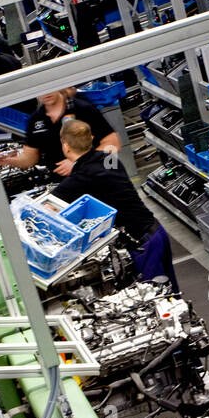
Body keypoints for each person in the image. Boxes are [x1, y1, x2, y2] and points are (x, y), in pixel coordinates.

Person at [53, 120, 177, 290]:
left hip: (142, 244)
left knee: (156, 296)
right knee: (170, 295)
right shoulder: (108, 159)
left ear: (65, 146)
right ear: (92, 138)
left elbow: (47, 208)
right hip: (156, 232)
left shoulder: (80, 177)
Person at [0, 88, 120, 176]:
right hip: (65, 183)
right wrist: (8, 160)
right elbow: (30, 158)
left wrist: (78, 162)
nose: (45, 93)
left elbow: (113, 144)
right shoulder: (36, 119)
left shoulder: (82, 109)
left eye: (48, 87)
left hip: (94, 175)